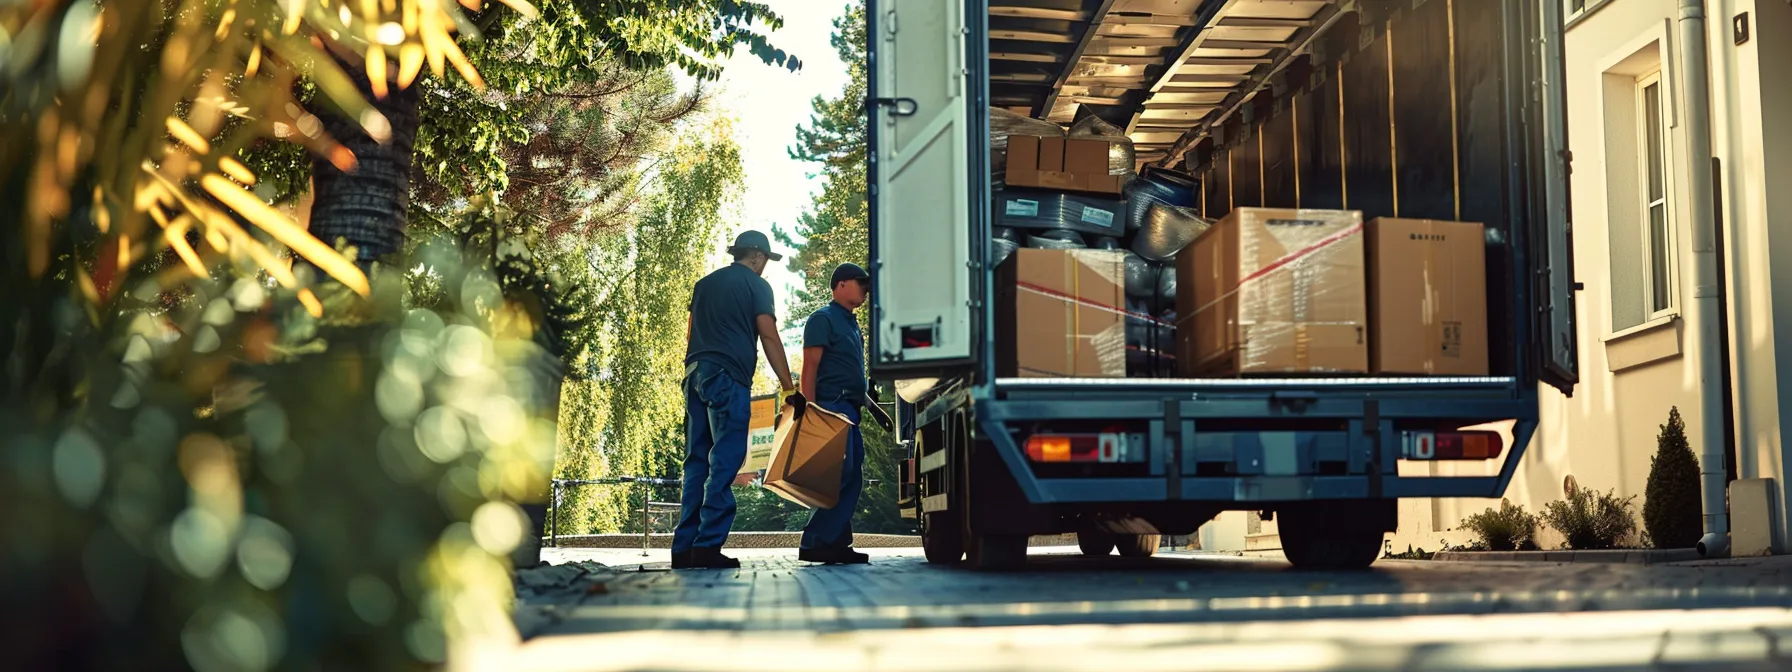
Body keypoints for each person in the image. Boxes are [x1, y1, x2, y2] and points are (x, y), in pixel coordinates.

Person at [675, 230, 799, 569]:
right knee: (726, 459)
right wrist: (789, 386)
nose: (764, 269)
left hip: (696, 372)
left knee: (697, 460)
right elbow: (769, 335)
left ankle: (683, 548)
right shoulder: (757, 286)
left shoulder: (705, 284)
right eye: (765, 262)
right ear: (757, 256)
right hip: (727, 377)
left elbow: (690, 332)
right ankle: (708, 545)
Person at [795, 263, 893, 565]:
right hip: (829, 409)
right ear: (839, 285)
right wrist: (809, 411)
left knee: (851, 478)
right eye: (859, 283)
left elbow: (851, 378)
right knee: (841, 473)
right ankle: (814, 542)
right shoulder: (821, 319)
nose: (865, 288)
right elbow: (810, 366)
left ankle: (836, 543)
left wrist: (875, 409)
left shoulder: (851, 325)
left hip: (850, 409)